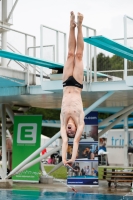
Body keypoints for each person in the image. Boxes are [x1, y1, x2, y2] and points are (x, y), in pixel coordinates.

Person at [60, 11, 85, 165]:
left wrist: (64, 159)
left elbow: (65, 143)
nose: (69, 131)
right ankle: (80, 25)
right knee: (79, 55)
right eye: (71, 132)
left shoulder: (63, 122)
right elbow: (74, 143)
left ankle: (71, 25)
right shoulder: (80, 120)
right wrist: (73, 158)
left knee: (70, 54)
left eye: (67, 133)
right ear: (75, 129)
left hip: (65, 84)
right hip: (76, 85)